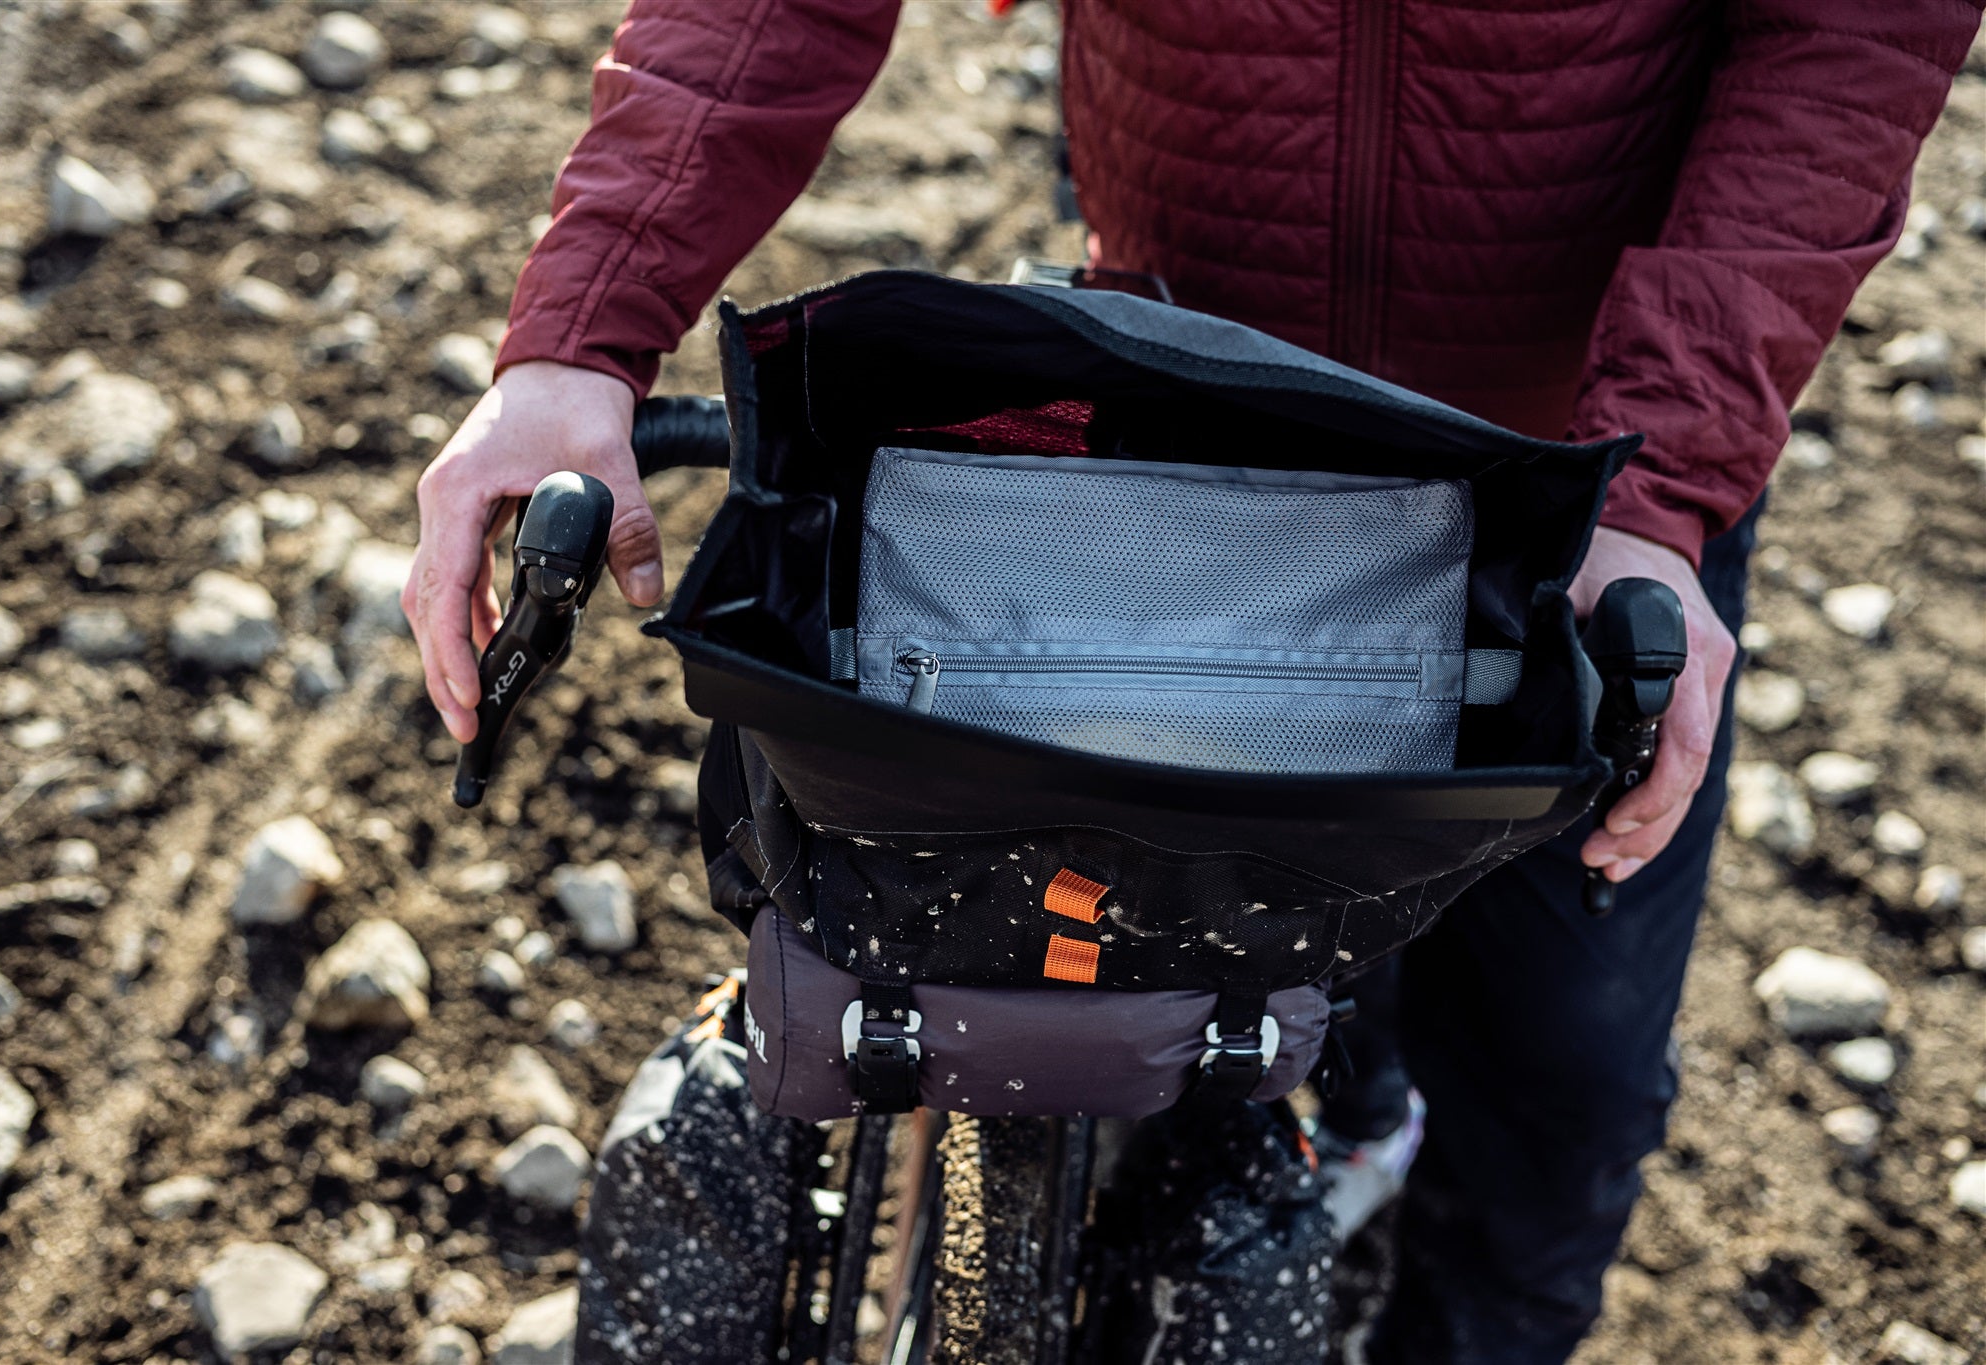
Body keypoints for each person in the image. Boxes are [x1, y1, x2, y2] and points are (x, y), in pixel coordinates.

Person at [402, 2, 1982, 1360]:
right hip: (1174, 408)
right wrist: (581, 334)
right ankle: (1333, 1108)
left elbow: (1846, 34)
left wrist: (1665, 483)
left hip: (1570, 479)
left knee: (1558, 1083)